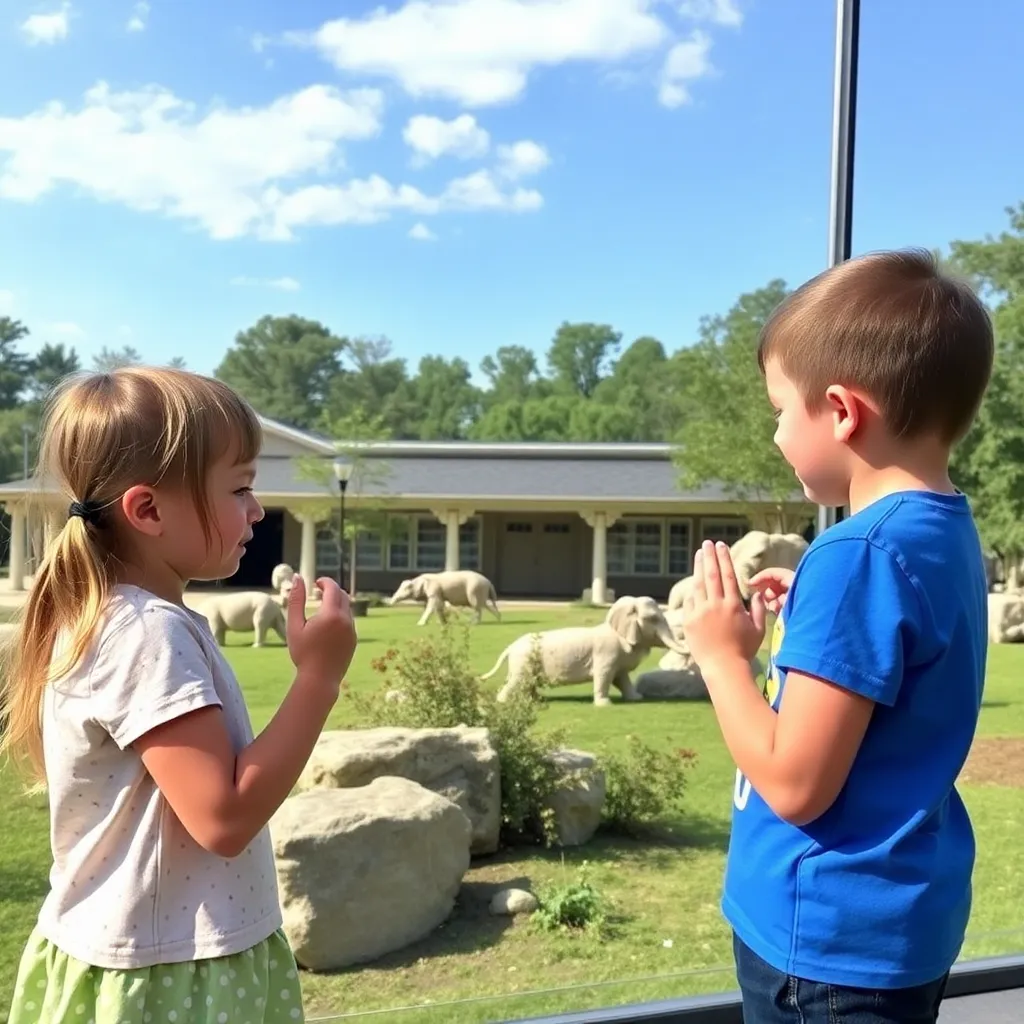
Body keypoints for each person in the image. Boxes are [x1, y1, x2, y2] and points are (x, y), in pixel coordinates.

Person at [679, 249, 994, 1024]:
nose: (777, 435)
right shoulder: (939, 530)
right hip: (892, 930)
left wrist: (721, 659)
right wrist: (811, 610)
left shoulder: (858, 554)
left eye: (780, 410)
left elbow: (795, 784)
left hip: (822, 948)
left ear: (842, 411)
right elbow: (901, 665)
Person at [0, 366, 357, 1023]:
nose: (257, 510)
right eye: (240, 488)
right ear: (149, 511)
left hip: (152, 960)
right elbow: (223, 818)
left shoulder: (118, 618)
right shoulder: (145, 632)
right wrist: (319, 678)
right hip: (172, 977)